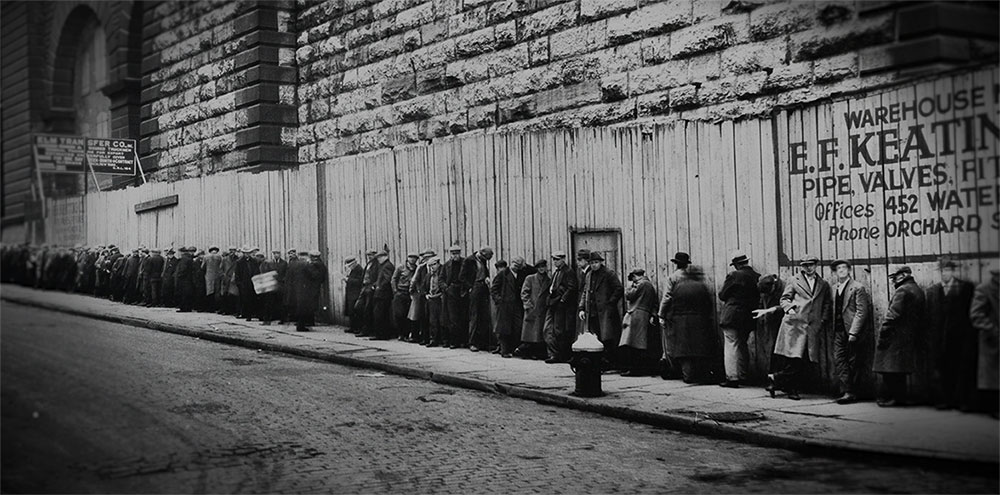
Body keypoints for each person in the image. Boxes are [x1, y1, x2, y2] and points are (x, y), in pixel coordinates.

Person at [769, 254, 831, 400]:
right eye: (805, 265)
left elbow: (826, 303)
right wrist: (789, 309)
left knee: (803, 360)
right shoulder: (794, 280)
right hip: (795, 324)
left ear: (816, 265)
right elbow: (784, 298)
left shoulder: (823, 284)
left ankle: (776, 380)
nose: (808, 268)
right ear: (801, 267)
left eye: (811, 264)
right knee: (794, 358)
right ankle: (791, 389)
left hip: (811, 326)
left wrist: (823, 319)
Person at [925, 259, 977, 410]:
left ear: (953, 272)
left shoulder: (965, 288)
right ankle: (945, 400)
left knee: (961, 369)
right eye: (942, 270)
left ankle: (962, 401)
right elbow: (930, 316)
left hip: (960, 337)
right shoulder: (933, 290)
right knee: (943, 369)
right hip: (940, 337)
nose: (945, 273)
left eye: (948, 270)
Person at [874, 265, 925, 407]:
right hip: (908, 336)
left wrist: (884, 330)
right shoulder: (917, 289)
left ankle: (893, 398)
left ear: (903, 276)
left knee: (890, 369)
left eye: (895, 277)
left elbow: (893, 314)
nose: (893, 281)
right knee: (899, 369)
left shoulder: (902, 290)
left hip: (895, 335)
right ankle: (900, 398)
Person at [829, 259, 872, 405]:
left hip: (852, 331)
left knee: (854, 361)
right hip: (838, 330)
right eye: (838, 268)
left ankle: (852, 392)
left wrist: (854, 332)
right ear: (834, 272)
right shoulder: (834, 287)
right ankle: (846, 389)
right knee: (839, 360)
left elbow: (861, 311)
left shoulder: (857, 287)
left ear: (849, 270)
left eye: (843, 267)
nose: (841, 270)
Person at [665, 265, 716, 383]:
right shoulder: (701, 287)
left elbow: (673, 303)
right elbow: (707, 305)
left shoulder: (678, 287)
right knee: (699, 349)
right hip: (699, 321)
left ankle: (687, 375)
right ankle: (701, 375)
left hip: (681, 321)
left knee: (684, 350)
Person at [718, 252, 761, 388]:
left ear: (736, 264)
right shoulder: (757, 277)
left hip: (732, 315)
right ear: (746, 262)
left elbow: (722, 295)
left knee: (731, 344)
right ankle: (743, 375)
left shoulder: (734, 275)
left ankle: (732, 378)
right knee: (742, 344)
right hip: (748, 316)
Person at [578, 251, 623, 369]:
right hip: (592, 312)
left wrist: (610, 303)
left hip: (606, 312)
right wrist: (582, 308)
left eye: (596, 262)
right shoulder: (589, 275)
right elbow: (585, 292)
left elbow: (618, 289)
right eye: (592, 263)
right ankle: (599, 361)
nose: (594, 265)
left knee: (608, 338)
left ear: (601, 262)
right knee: (595, 336)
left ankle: (610, 362)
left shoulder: (609, 274)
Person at [620, 268, 660, 376]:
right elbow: (654, 303)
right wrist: (653, 315)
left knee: (633, 344)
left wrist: (628, 287)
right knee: (640, 343)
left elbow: (629, 296)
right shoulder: (650, 285)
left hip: (636, 315)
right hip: (644, 314)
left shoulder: (641, 284)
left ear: (635, 276)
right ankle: (640, 369)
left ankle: (635, 370)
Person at [970, 268, 999, 418]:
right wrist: (992, 330)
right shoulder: (985, 289)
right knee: (993, 376)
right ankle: (994, 408)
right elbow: (976, 315)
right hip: (992, 339)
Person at [658, 252, 690, 378]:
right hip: (687, 315)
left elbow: (667, 297)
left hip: (673, 314)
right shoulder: (690, 278)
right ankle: (685, 370)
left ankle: (672, 369)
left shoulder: (672, 278)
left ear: (675, 264)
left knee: (670, 343)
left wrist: (661, 314)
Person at [544, 251, 578, 364]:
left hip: (561, 305)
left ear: (563, 259)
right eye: (553, 259)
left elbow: (571, 287)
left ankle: (560, 355)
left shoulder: (568, 272)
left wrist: (563, 300)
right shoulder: (556, 272)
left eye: (557, 259)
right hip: (553, 303)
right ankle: (554, 354)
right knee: (550, 329)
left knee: (559, 331)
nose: (555, 262)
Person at [461, 246, 494, 352]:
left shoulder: (483, 261)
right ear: (480, 253)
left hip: (483, 288)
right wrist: (470, 287)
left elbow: (485, 271)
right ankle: (472, 342)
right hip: (474, 288)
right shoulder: (469, 261)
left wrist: (487, 277)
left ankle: (483, 343)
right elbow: (462, 277)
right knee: (474, 316)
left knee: (484, 315)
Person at [517, 259, 550, 360]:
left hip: (542, 310)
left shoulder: (548, 280)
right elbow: (524, 293)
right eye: (540, 267)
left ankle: (536, 353)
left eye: (543, 267)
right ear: (537, 268)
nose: (542, 269)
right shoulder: (530, 278)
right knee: (529, 334)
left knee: (539, 333)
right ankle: (526, 352)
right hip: (532, 309)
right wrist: (528, 305)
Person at [490, 260, 522, 357]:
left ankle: (512, 349)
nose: (516, 267)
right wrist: (499, 300)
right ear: (511, 264)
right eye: (514, 264)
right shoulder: (503, 274)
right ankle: (504, 351)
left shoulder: (520, 274)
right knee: (504, 329)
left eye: (518, 265)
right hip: (505, 305)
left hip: (516, 305)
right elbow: (494, 289)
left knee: (517, 327)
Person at [293, 251, 328, 332]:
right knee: (305, 307)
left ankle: (301, 324)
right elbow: (315, 275)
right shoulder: (307, 265)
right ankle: (301, 326)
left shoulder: (296, 264)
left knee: (301, 307)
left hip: (299, 288)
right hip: (307, 289)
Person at [441, 245, 467, 348]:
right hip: (451, 293)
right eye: (452, 253)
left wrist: (466, 288)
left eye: (456, 253)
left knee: (464, 317)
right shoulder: (446, 265)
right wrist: (446, 288)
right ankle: (454, 341)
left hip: (462, 292)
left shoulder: (465, 263)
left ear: (460, 253)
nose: (454, 256)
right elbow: (441, 279)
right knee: (453, 318)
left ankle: (464, 341)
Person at [392, 253, 417, 341]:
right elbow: (394, 279)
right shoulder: (401, 267)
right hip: (400, 292)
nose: (412, 260)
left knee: (408, 315)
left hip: (409, 293)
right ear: (407, 258)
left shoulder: (416, 268)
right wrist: (395, 291)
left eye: (414, 258)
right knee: (399, 314)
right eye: (411, 257)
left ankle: (406, 334)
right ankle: (400, 333)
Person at [371, 248, 395, 340]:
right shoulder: (383, 266)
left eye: (379, 257)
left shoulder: (387, 266)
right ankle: (381, 334)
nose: (378, 259)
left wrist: (378, 287)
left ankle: (382, 334)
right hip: (381, 294)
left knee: (380, 314)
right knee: (380, 314)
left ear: (385, 257)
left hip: (383, 294)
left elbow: (387, 280)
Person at [355, 249, 378, 337]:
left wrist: (373, 285)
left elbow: (378, 276)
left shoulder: (377, 264)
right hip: (364, 287)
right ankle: (362, 328)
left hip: (370, 287)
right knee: (358, 307)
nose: (369, 257)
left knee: (367, 310)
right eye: (368, 255)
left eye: (371, 255)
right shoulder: (369, 264)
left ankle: (366, 330)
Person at [424, 256, 445, 347]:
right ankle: (433, 340)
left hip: (440, 298)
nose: (432, 267)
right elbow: (423, 286)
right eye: (430, 266)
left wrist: (442, 294)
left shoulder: (442, 273)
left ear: (438, 264)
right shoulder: (428, 275)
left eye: (433, 265)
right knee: (432, 320)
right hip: (431, 299)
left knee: (442, 320)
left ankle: (444, 340)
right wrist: (426, 294)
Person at [234, 246, 258, 321]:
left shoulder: (254, 261)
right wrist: (239, 283)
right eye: (246, 253)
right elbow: (237, 274)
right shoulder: (239, 262)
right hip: (244, 284)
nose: (247, 254)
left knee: (251, 299)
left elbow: (257, 271)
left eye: (248, 253)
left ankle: (250, 314)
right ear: (243, 253)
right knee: (244, 299)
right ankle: (246, 314)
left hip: (252, 282)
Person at [343, 256, 364, 334]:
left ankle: (357, 327)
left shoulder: (359, 270)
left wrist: (348, 279)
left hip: (355, 293)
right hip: (351, 292)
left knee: (355, 311)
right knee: (351, 311)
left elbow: (359, 281)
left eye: (350, 265)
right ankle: (352, 327)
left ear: (354, 263)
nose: (349, 267)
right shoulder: (354, 270)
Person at [174, 246, 196, 312]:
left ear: (182, 252)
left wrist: (178, 276)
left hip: (183, 280)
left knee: (183, 294)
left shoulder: (184, 259)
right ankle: (188, 308)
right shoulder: (189, 258)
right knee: (187, 294)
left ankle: (183, 308)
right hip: (189, 279)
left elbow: (183, 269)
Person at [203, 246, 223, 313]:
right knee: (217, 291)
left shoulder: (206, 257)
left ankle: (209, 308)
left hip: (209, 276)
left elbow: (202, 267)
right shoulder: (220, 257)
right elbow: (221, 266)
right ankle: (216, 307)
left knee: (209, 291)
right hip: (217, 275)